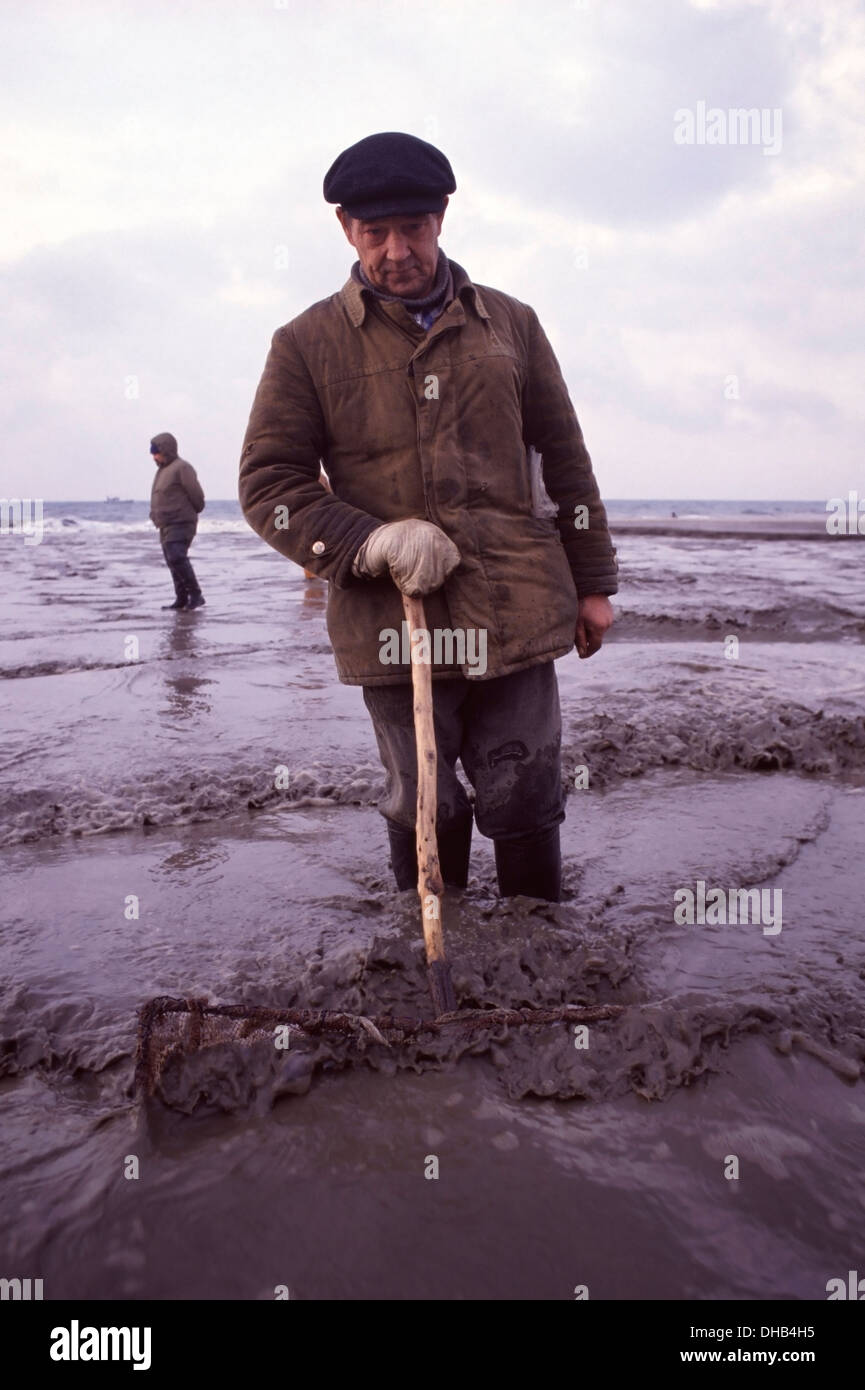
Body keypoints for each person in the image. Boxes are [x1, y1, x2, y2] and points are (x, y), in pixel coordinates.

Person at [238, 132, 618, 901]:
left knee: (526, 789)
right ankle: (430, 948)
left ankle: (535, 948)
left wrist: (593, 582)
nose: (395, 251)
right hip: (393, 619)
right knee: (422, 793)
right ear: (345, 227)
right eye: (374, 232)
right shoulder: (305, 345)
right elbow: (268, 483)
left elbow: (564, 459)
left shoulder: (510, 324)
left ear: (441, 217)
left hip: (517, 609)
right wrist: (370, 539)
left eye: (411, 228)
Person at [148, 432, 206, 610]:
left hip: (181, 522)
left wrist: (190, 512)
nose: (153, 456)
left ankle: (196, 595)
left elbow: (197, 495)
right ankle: (181, 598)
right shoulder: (162, 471)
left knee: (177, 557)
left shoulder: (182, 468)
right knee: (171, 560)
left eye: (155, 451)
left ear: (166, 450)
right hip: (165, 524)